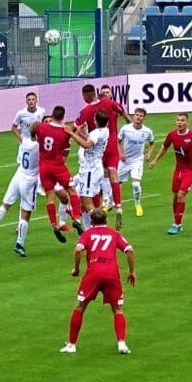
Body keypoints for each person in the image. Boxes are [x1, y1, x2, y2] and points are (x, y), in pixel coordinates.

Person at [62, 207, 136, 354]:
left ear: (91, 221)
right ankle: (121, 344)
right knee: (117, 308)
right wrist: (132, 271)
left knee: (80, 306)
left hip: (94, 272)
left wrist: (76, 269)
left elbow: (78, 249)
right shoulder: (114, 233)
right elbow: (129, 250)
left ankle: (71, 345)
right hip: (111, 273)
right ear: (106, 221)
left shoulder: (88, 233)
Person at [32, 106, 88, 243]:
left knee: (50, 197)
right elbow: (66, 149)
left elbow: (33, 127)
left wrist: (34, 137)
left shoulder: (40, 127)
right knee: (72, 190)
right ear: (63, 116)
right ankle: (76, 218)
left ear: (52, 115)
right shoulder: (64, 132)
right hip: (58, 166)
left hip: (44, 167)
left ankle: (54, 225)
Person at [76, 83, 129, 221]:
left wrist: (71, 133)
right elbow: (122, 111)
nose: (105, 93)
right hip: (108, 144)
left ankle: (97, 216)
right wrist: (130, 123)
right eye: (104, 91)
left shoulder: (87, 111)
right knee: (110, 176)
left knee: (88, 192)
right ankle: (116, 206)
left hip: (97, 149)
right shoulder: (110, 104)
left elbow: (80, 133)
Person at [0, 133, 40, 257]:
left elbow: (16, 132)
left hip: (18, 174)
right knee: (26, 213)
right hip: (29, 180)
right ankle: (19, 244)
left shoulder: (25, 141)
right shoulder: (38, 146)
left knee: (5, 204)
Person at [71, 110, 111, 231]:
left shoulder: (96, 133)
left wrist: (72, 134)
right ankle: (88, 231)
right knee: (83, 202)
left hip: (90, 171)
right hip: (95, 168)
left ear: (95, 120)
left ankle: (101, 229)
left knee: (88, 203)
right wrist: (81, 133)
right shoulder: (105, 131)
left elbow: (87, 144)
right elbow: (92, 142)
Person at [115, 107, 155, 217]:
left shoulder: (147, 131)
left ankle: (137, 204)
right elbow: (117, 142)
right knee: (116, 184)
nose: (138, 117)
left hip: (137, 161)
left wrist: (149, 154)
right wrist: (120, 154)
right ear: (133, 116)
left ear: (144, 118)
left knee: (136, 184)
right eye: (137, 114)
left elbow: (152, 143)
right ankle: (111, 203)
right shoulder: (125, 129)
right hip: (124, 161)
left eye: (141, 115)